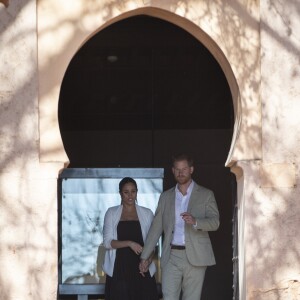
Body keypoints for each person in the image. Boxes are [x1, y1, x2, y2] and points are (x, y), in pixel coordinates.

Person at [139, 153, 220, 300]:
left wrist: (196, 221)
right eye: (177, 169)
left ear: (191, 169)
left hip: (197, 255)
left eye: (184, 169)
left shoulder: (206, 194)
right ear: (172, 171)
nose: (180, 172)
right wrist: (144, 256)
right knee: (168, 297)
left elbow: (215, 222)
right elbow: (156, 228)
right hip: (171, 256)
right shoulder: (165, 197)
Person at [102, 177, 159, 300]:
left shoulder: (147, 213)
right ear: (120, 193)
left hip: (141, 267)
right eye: (126, 192)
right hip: (119, 268)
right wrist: (130, 243)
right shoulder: (111, 213)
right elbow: (107, 242)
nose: (130, 195)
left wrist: (147, 261)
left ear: (137, 192)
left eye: (133, 191)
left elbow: (152, 244)